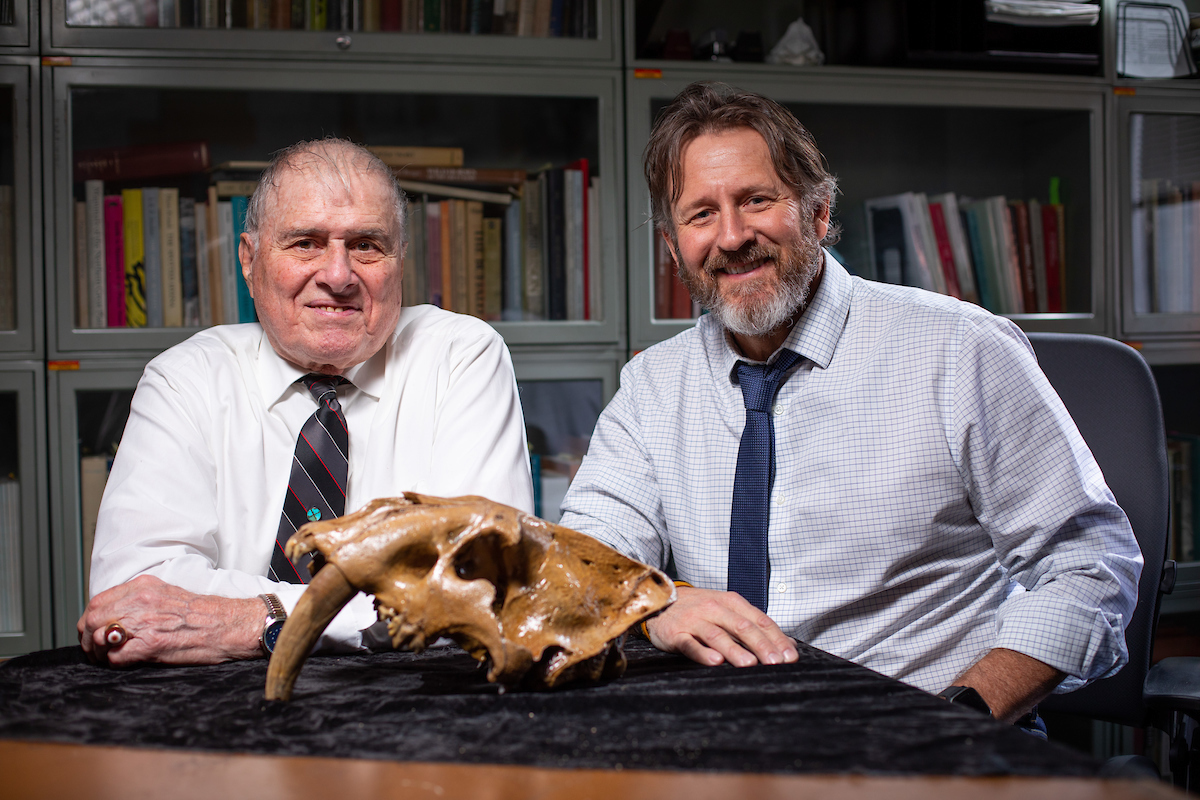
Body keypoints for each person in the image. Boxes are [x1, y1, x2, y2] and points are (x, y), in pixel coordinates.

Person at [559, 82, 1142, 726]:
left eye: (756, 200)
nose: (731, 236)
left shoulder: (959, 349)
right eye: (700, 214)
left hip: (931, 737)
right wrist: (654, 603)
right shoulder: (653, 386)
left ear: (818, 214)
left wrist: (960, 718)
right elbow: (580, 558)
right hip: (724, 743)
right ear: (674, 249)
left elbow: (1091, 568)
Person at [79, 138, 534, 666]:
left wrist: (257, 620)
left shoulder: (462, 357)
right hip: (214, 719)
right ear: (249, 260)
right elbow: (131, 599)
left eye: (366, 244)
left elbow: (485, 587)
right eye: (305, 244)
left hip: (412, 711)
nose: (338, 275)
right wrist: (375, 611)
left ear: (400, 261)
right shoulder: (186, 379)